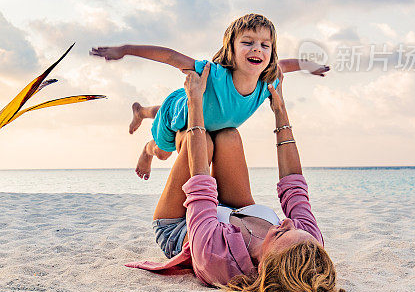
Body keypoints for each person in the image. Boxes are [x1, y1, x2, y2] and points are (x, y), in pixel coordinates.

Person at [125, 65, 346, 292]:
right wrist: (280, 109)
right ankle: (160, 124)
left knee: (199, 140)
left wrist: (195, 101)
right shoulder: (307, 246)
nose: (286, 223)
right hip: (235, 213)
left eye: (281, 233)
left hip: (179, 225)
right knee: (229, 134)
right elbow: (294, 186)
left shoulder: (215, 258)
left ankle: (151, 149)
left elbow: (201, 185)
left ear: (262, 266)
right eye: (291, 227)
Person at [90, 13, 329, 180]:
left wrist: (310, 66)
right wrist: (125, 49)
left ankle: (142, 111)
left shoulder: (268, 78)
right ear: (231, 50)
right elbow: (171, 57)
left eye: (265, 45)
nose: (257, 48)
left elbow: (286, 65)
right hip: (180, 117)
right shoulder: (212, 73)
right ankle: (146, 148)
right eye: (248, 42)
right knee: (164, 152)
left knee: (166, 109)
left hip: (204, 116)